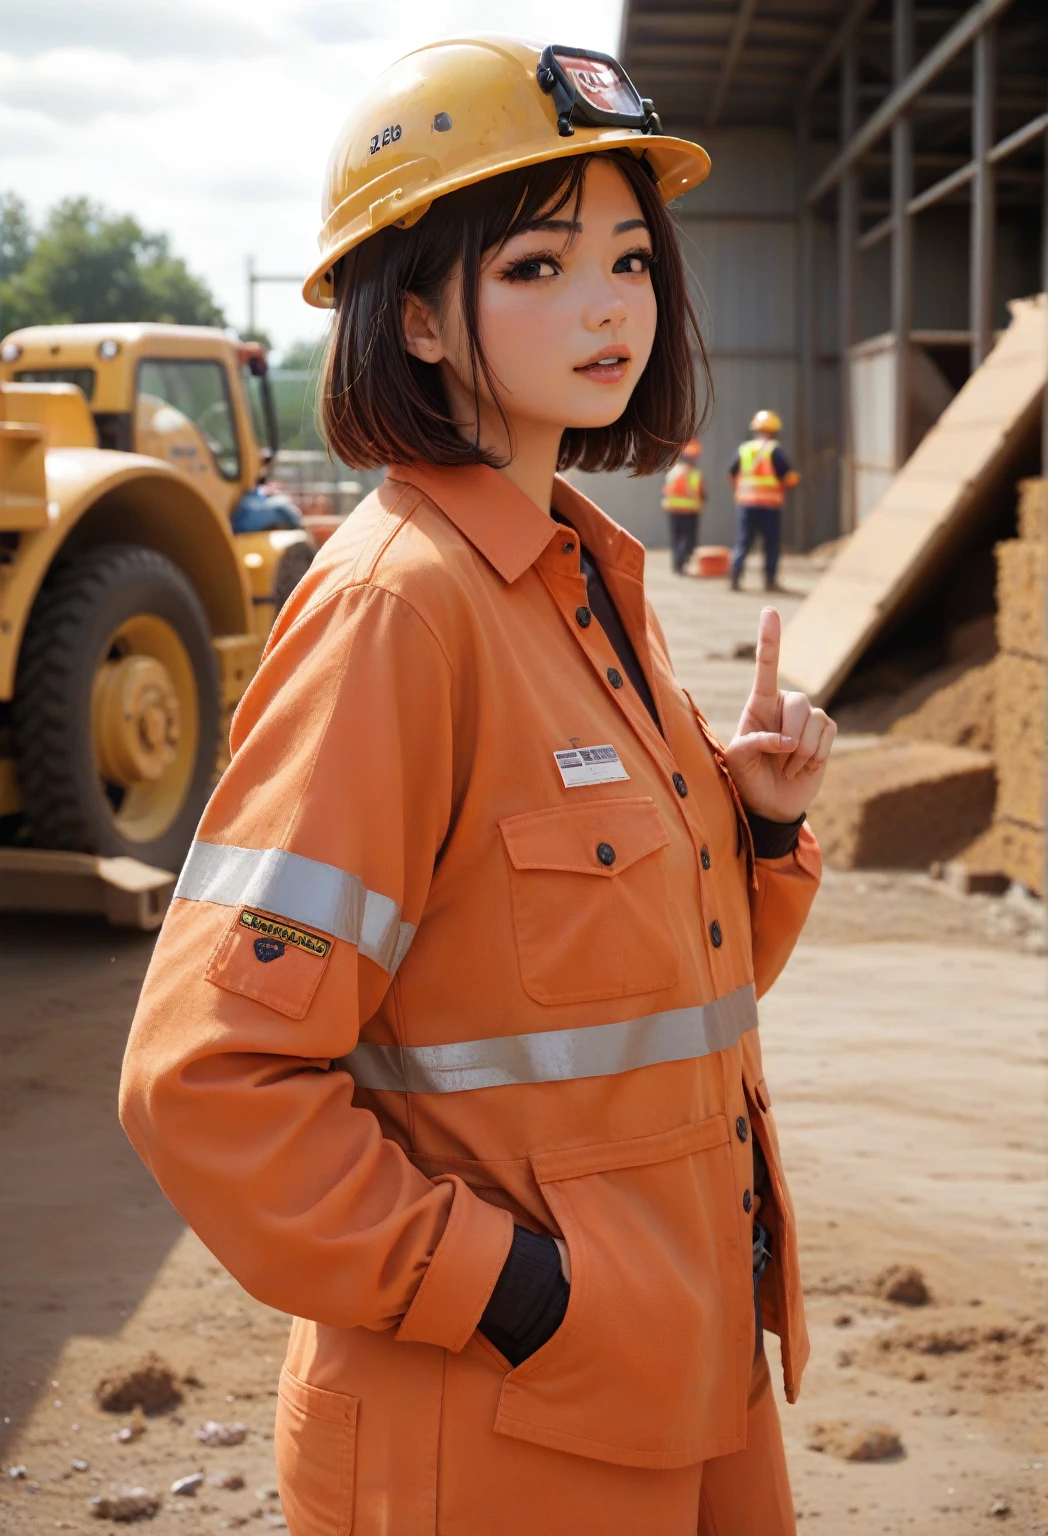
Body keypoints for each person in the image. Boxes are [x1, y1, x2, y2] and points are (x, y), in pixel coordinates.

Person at [119, 37, 836, 1536]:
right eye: (537, 265)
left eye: (632, 260)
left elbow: (631, 1014)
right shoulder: (401, 611)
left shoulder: (589, 588)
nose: (607, 306)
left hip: (687, 1382)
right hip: (504, 1435)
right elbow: (210, 1087)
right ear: (421, 320)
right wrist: (517, 1296)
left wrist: (755, 831)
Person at [729, 409, 800, 592]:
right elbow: (787, 476)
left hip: (746, 504)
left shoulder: (744, 449)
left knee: (743, 542)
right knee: (770, 544)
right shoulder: (774, 451)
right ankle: (769, 581)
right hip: (769, 506)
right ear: (774, 431)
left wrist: (741, 491)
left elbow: (732, 473)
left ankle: (735, 579)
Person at [661, 436, 704, 573]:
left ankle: (676, 563)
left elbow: (667, 490)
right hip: (689, 511)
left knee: (676, 538)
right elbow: (701, 493)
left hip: (673, 509)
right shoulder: (694, 474)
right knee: (688, 540)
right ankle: (680, 561)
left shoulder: (672, 472)